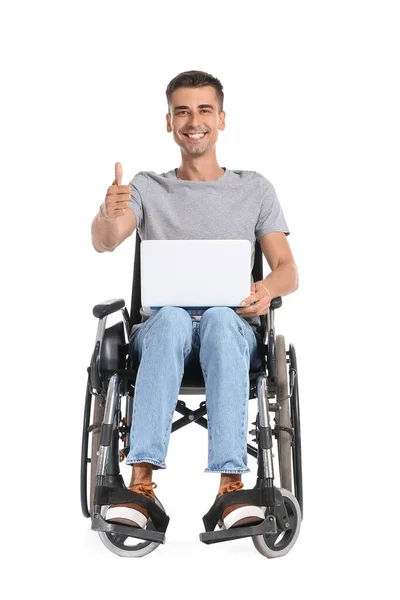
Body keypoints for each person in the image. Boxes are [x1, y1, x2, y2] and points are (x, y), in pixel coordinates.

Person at [91, 70, 299, 530]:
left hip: (231, 331)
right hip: (163, 335)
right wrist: (110, 212)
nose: (193, 120)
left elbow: (287, 270)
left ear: (221, 119)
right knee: (168, 319)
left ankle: (231, 488)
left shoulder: (254, 188)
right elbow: (106, 241)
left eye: (204, 110)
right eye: (182, 111)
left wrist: (265, 289)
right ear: (169, 122)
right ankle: (140, 485)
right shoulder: (147, 187)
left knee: (224, 320)